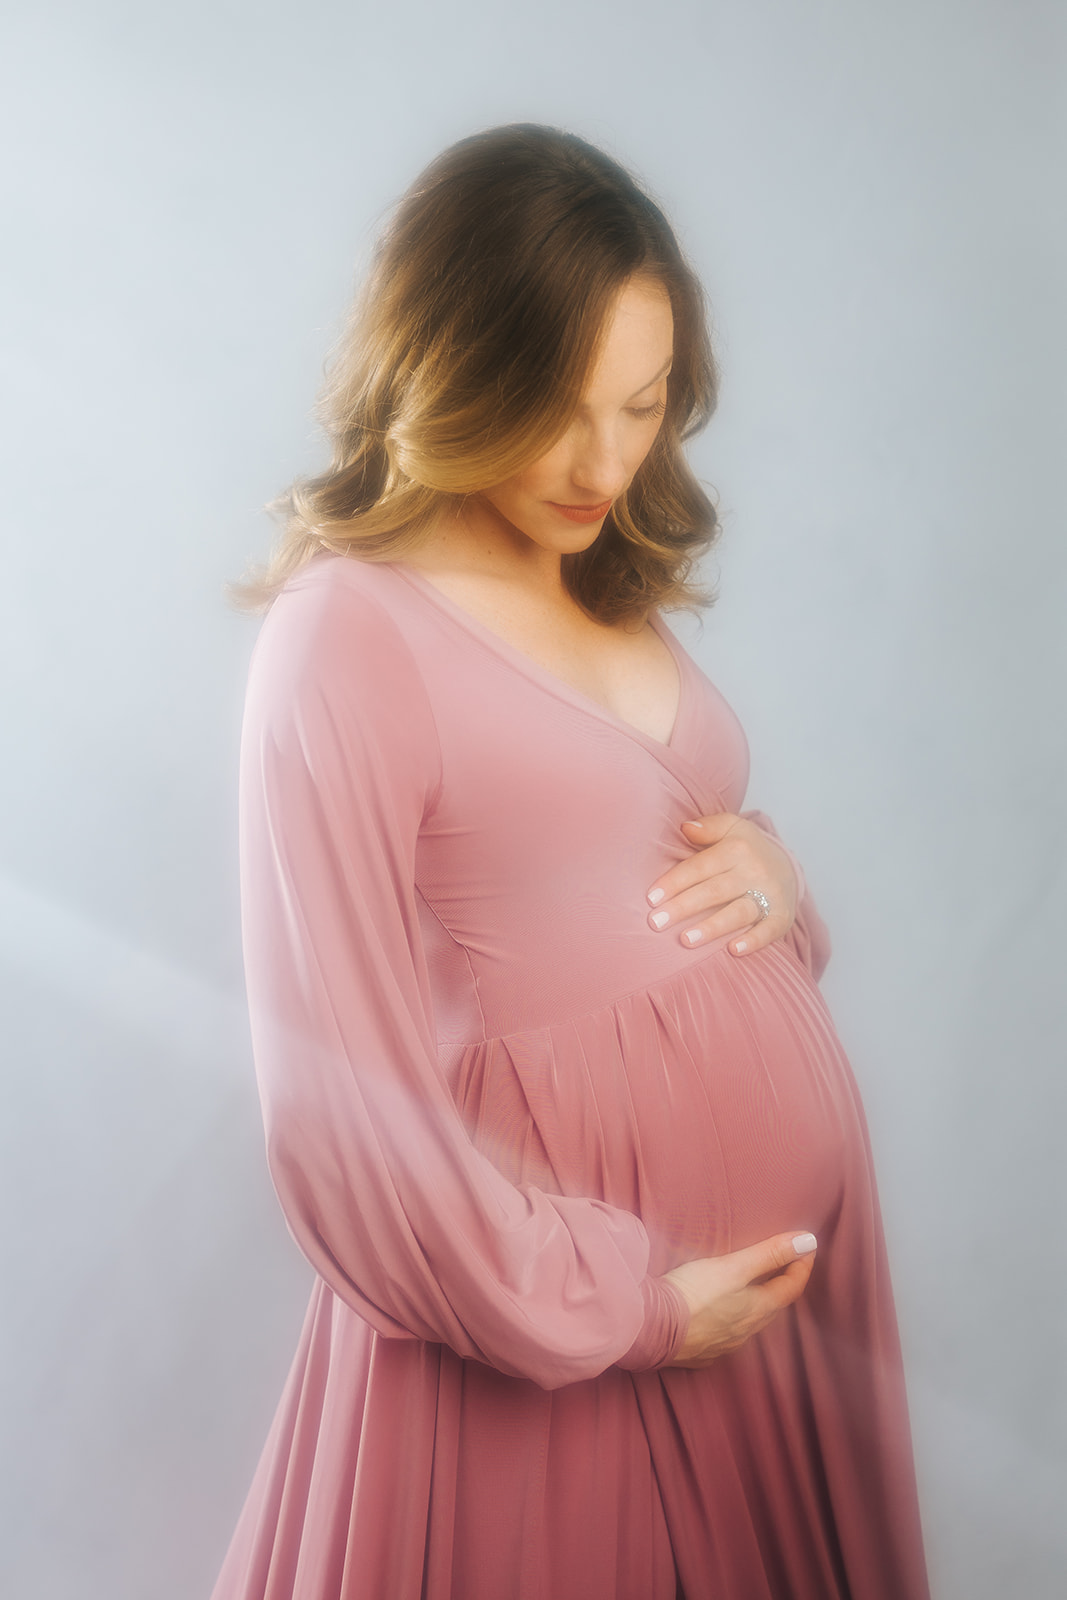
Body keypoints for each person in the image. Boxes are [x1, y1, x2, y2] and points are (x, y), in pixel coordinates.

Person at [211, 124, 930, 1600]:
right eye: (560, 408)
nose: (607, 462)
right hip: (557, 1350)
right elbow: (336, 1104)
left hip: (771, 1343)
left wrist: (780, 894)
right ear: (452, 366)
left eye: (646, 407)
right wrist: (618, 1307)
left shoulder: (601, 584)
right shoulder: (347, 634)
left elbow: (623, 885)